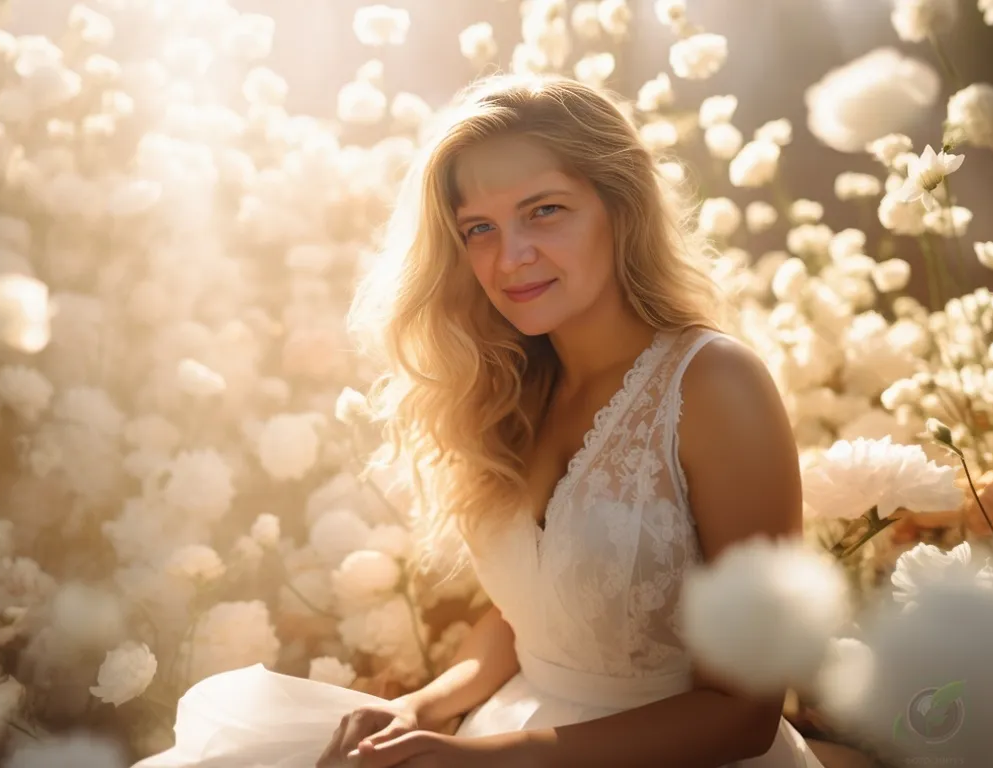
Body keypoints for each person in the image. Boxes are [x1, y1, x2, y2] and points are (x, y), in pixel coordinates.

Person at [134, 74, 829, 768]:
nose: (510, 257)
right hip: (507, 727)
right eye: (479, 229)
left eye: (545, 211)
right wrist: (417, 709)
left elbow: (746, 713)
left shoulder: (713, 384)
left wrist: (488, 759)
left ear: (620, 208)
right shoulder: (511, 387)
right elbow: (537, 616)